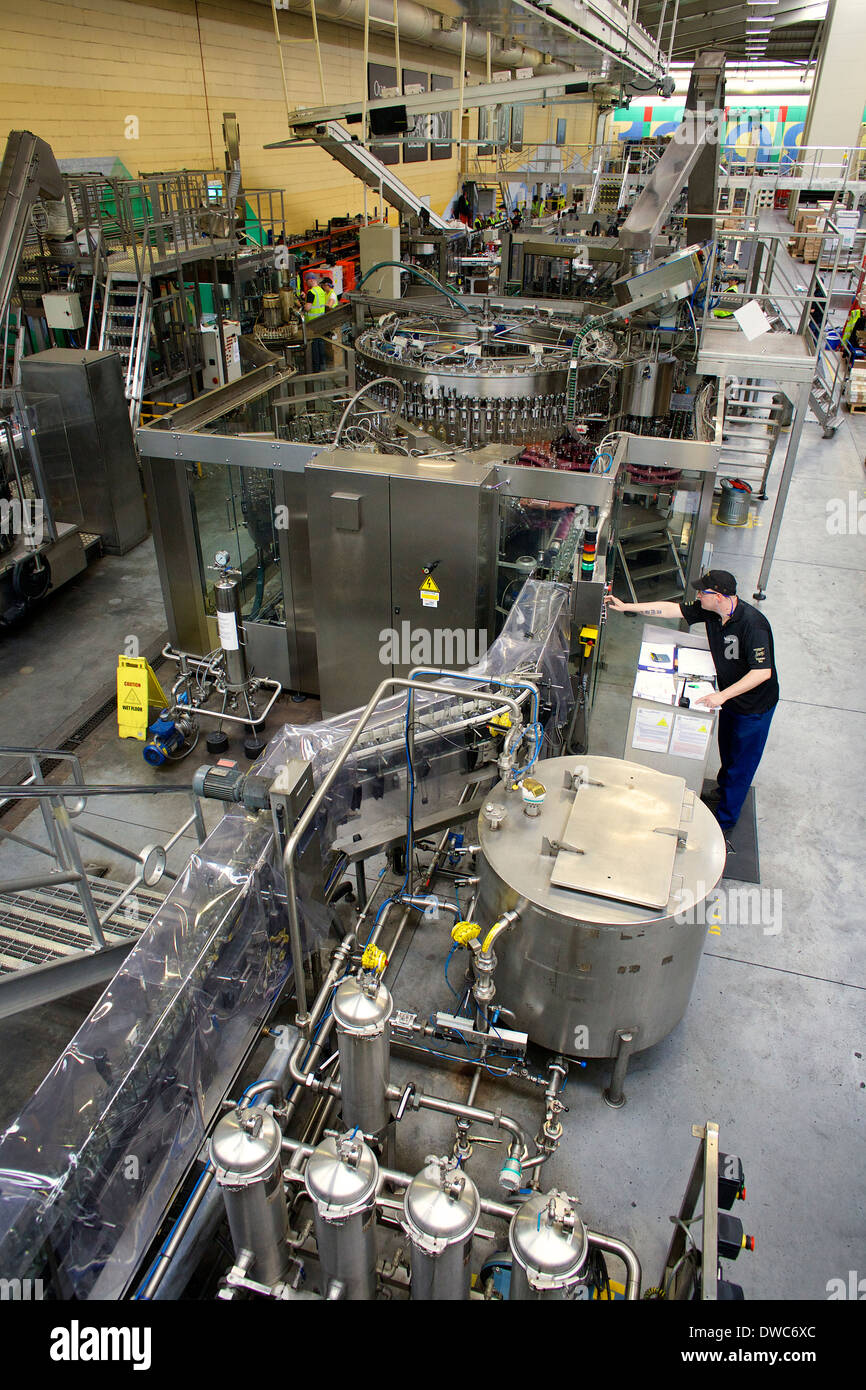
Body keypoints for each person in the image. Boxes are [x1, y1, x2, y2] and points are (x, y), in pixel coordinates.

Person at [604, 570, 779, 833]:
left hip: (753, 708)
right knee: (728, 752)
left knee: (741, 765)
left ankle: (723, 824)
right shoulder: (711, 611)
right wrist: (629, 607)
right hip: (730, 700)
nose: (698, 596)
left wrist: (722, 695)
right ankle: (722, 792)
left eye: (703, 592)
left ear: (719, 596)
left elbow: (762, 672)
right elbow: (670, 610)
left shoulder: (753, 625)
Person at [304, 272, 328, 372]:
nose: (306, 284)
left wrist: (302, 306)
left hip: (312, 324)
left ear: (310, 280)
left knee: (314, 346)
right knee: (321, 343)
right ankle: (323, 365)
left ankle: (316, 368)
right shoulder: (320, 290)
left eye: (306, 282)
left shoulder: (311, 293)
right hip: (321, 321)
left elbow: (308, 308)